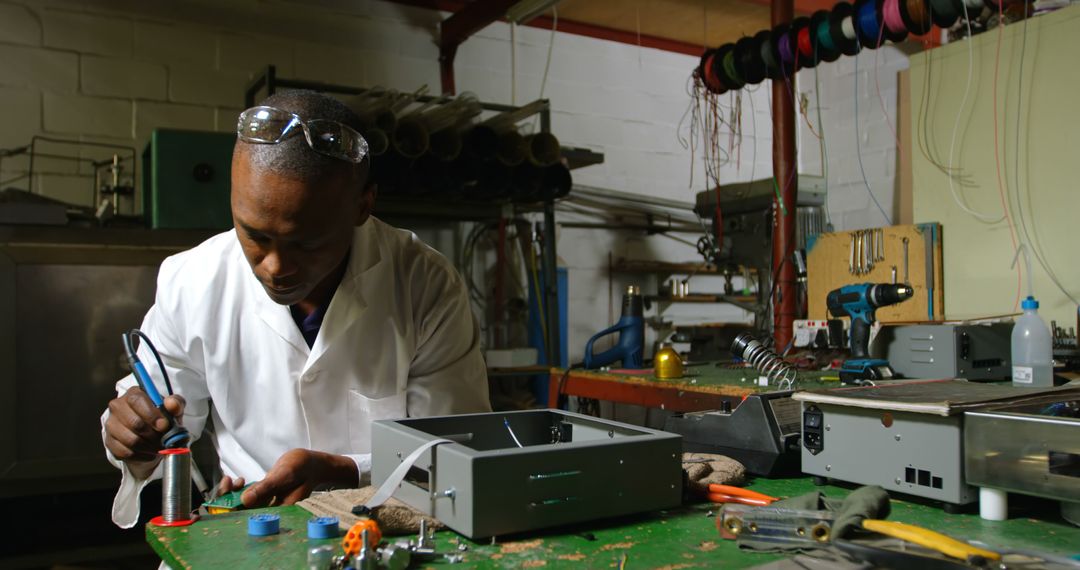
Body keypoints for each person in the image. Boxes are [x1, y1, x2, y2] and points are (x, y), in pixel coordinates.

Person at [100, 90, 490, 528]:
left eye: (306, 243)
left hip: (377, 529)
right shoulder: (191, 281)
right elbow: (162, 419)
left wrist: (345, 471)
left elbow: (456, 449)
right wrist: (135, 437)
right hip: (243, 531)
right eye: (255, 236)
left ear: (363, 206)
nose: (275, 267)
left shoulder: (424, 284)